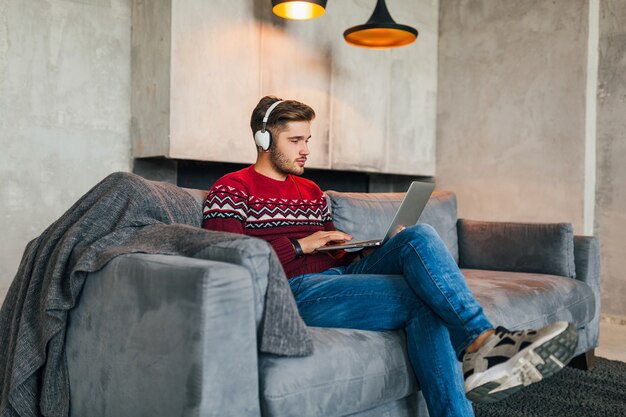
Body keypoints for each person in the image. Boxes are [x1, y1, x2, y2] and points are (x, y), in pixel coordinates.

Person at [201, 96, 577, 417]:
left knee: (418, 236)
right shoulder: (232, 189)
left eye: (308, 139)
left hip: (341, 276)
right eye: (295, 140)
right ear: (264, 139)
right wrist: (302, 244)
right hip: (294, 291)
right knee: (425, 303)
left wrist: (358, 250)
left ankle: (483, 341)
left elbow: (334, 255)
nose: (305, 150)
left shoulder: (311, 190)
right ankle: (483, 352)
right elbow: (230, 259)